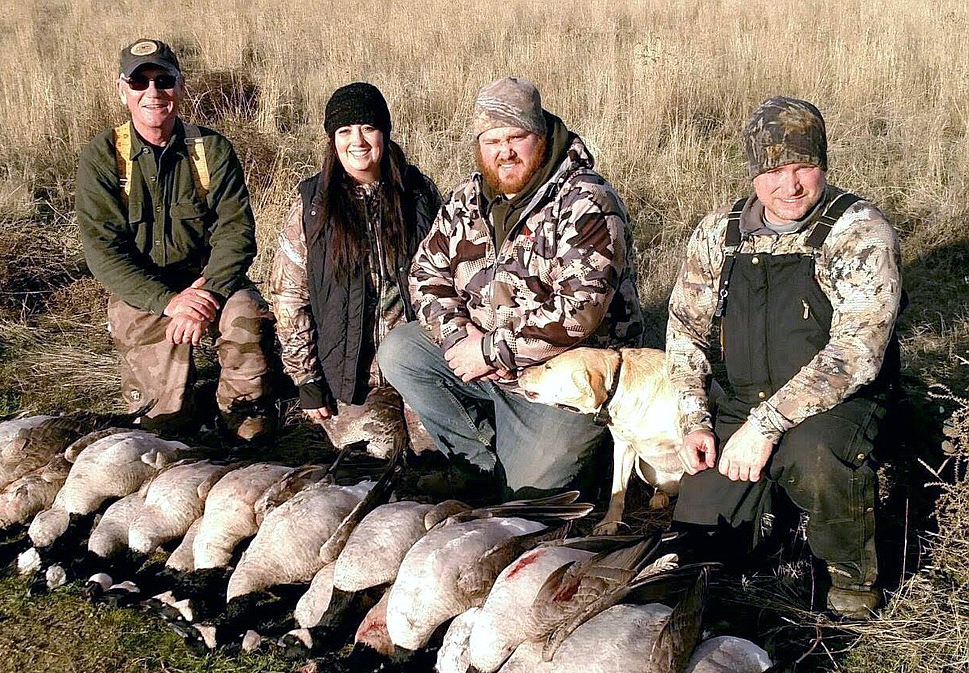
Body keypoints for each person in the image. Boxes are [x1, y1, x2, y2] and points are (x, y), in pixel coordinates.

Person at [666, 97, 903, 620]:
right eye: (773, 170)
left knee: (816, 459)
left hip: (836, 401)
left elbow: (857, 353)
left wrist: (766, 426)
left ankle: (850, 575)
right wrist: (694, 420)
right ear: (754, 173)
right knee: (698, 550)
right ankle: (765, 518)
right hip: (741, 400)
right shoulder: (718, 234)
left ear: (824, 163)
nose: (790, 185)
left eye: (804, 167)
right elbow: (685, 332)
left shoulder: (859, 231)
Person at [378, 77, 643, 499]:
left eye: (517, 137)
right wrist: (457, 335)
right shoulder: (468, 197)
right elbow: (425, 271)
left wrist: (489, 350)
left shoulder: (586, 200)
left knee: (525, 498)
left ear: (541, 136)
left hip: (564, 376)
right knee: (401, 352)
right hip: (482, 357)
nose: (505, 152)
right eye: (492, 141)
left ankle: (589, 457)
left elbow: (580, 312)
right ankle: (478, 464)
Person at [75, 38, 275, 440]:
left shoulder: (212, 149)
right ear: (122, 89)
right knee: (160, 427)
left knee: (248, 314)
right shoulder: (101, 156)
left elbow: (236, 233)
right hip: (146, 290)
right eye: (139, 82)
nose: (153, 93)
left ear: (180, 86)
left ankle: (243, 409)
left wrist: (210, 293)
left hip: (206, 281)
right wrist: (169, 302)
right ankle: (173, 406)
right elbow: (104, 253)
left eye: (163, 80)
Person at [269, 83, 441, 458]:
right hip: (351, 377)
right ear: (332, 140)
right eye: (345, 131)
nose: (357, 141)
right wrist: (307, 379)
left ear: (385, 133)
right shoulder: (312, 207)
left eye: (368, 128)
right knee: (378, 457)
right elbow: (288, 299)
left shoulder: (419, 194)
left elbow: (450, 276)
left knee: (436, 457)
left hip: (418, 365)